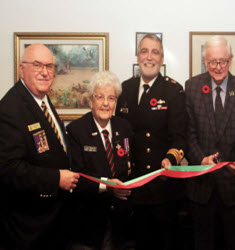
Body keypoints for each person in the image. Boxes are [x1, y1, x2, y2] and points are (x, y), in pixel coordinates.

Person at [0, 44, 79, 249]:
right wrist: (56, 179)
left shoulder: (41, 100)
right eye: (37, 65)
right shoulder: (10, 109)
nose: (44, 72)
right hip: (29, 227)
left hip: (52, 222)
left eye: (49, 66)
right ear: (21, 68)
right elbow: (9, 169)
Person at [115, 34, 186, 250]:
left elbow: (180, 136)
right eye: (144, 51)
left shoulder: (173, 90)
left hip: (162, 185)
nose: (149, 57)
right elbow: (118, 133)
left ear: (162, 59)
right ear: (137, 57)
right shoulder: (124, 89)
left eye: (155, 52)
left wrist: (170, 158)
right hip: (133, 185)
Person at [185, 35, 235, 250]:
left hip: (234, 189)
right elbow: (189, 133)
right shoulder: (192, 87)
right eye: (213, 61)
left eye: (223, 61)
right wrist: (200, 159)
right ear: (205, 62)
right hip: (201, 188)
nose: (218, 67)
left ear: (231, 60)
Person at [66, 71, 133, 249]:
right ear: (90, 101)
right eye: (100, 97)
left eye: (111, 98)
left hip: (121, 220)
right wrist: (107, 185)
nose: (105, 103)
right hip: (90, 220)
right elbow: (77, 176)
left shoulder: (124, 127)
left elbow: (129, 166)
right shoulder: (76, 131)